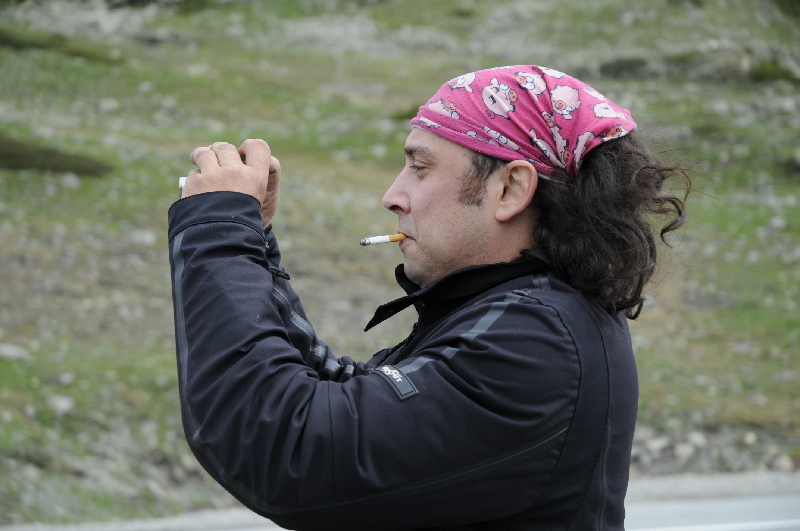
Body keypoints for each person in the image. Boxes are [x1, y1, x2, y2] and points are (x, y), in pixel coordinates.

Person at [168, 65, 690, 530]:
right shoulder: (520, 316)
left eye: (419, 167)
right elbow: (337, 401)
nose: (392, 196)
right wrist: (253, 241)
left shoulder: (539, 344)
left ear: (511, 189)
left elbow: (289, 449)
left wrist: (218, 231)